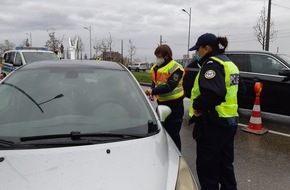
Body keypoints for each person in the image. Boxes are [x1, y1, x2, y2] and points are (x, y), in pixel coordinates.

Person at [188, 33, 240, 190]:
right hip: (230, 122)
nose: (197, 53)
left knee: (207, 169)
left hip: (213, 123)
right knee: (225, 166)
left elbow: (214, 93)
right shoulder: (230, 64)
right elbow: (240, 90)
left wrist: (197, 106)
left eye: (198, 49)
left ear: (207, 48)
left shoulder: (212, 65)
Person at [145, 44, 185, 151]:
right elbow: (155, 82)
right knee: (162, 133)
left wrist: (153, 91)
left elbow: (170, 85)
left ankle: (176, 156)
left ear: (166, 56)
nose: (157, 59)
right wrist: (153, 93)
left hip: (175, 106)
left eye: (159, 56)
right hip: (161, 105)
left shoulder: (176, 68)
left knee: (173, 135)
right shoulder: (155, 68)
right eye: (156, 56)